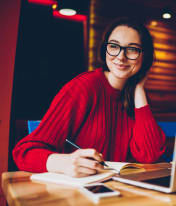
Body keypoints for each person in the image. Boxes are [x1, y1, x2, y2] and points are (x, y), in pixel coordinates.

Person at [13, 17, 166, 177]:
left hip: (120, 193)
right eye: (114, 46)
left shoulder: (137, 96)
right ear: (105, 49)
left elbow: (150, 155)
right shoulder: (83, 87)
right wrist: (64, 163)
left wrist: (140, 89)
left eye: (132, 49)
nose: (121, 56)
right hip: (78, 194)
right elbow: (24, 152)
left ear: (145, 56)